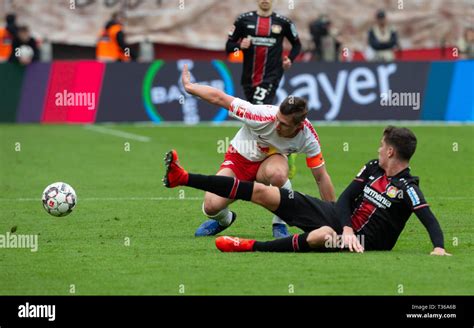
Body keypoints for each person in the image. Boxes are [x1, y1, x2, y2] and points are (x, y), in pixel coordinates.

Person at [163, 126, 451, 256]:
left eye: (381, 145)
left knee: (322, 236)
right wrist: (347, 225)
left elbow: (427, 217)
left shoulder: (407, 187)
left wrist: (438, 247)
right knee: (264, 192)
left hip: (364, 242)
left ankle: (249, 245)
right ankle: (184, 177)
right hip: (343, 223)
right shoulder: (374, 167)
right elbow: (347, 198)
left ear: (390, 150)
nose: (377, 149)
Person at [181, 64, 335, 238]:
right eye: (278, 119)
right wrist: (190, 87)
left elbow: (321, 177)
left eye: (284, 124)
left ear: (298, 126)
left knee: (277, 174)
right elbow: (220, 98)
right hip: (240, 158)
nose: (277, 125)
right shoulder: (260, 115)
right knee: (211, 206)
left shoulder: (309, 138)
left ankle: (279, 223)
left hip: (271, 161)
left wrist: (333, 219)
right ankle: (225, 220)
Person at [226, 0, 303, 180]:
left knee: (258, 115)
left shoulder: (283, 22)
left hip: (271, 76)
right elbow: (229, 46)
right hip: (248, 79)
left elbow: (297, 44)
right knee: (255, 117)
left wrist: (290, 59)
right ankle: (281, 152)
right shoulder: (243, 20)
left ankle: (276, 155)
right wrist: (239, 46)